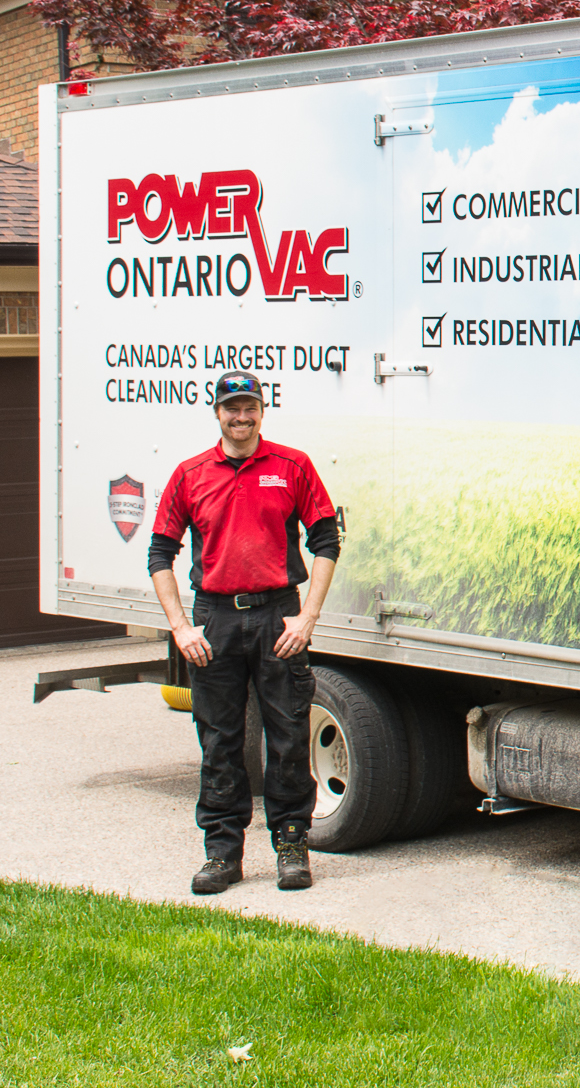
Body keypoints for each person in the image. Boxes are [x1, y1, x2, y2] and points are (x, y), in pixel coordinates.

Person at [147, 371, 340, 895]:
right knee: (220, 741)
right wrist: (181, 627)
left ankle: (292, 846)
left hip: (278, 616)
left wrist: (307, 617)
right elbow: (160, 554)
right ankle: (222, 854)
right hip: (215, 621)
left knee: (288, 736)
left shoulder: (292, 466)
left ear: (261, 411)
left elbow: (326, 541)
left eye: (249, 407)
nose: (241, 416)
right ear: (217, 413)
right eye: (231, 408)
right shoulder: (190, 474)